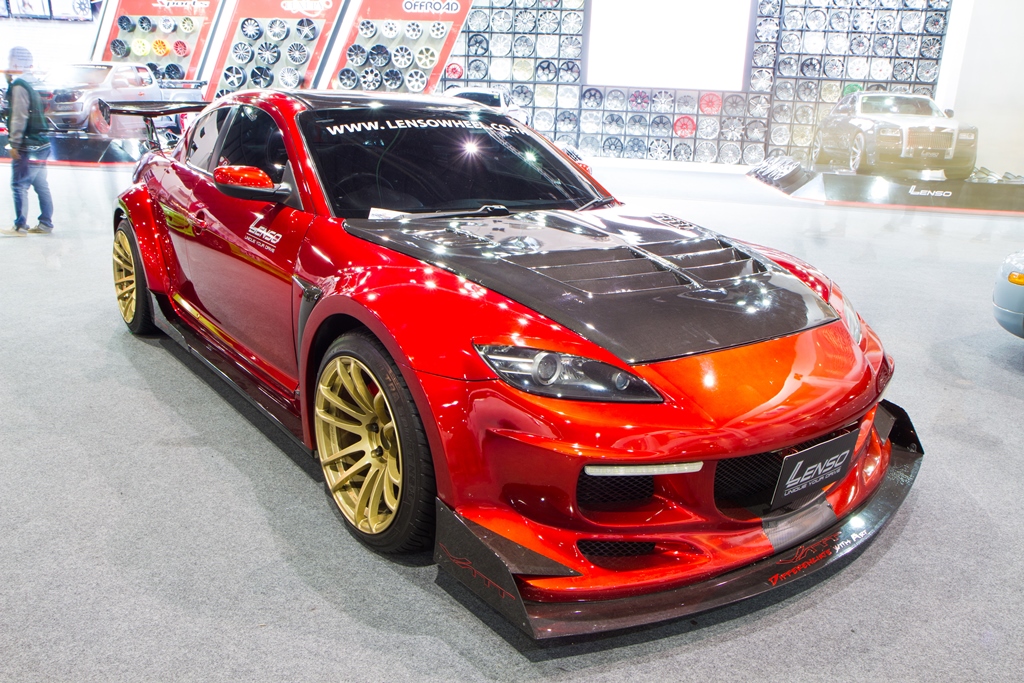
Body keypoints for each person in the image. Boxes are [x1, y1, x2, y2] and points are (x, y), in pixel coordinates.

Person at [1, 46, 53, 237]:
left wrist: (14, 143)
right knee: (41, 185)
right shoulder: (34, 82)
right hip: (42, 142)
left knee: (19, 185)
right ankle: (46, 223)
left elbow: (18, 116)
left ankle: (20, 226)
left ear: (15, 63)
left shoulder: (20, 85)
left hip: (27, 144)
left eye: (9, 61)